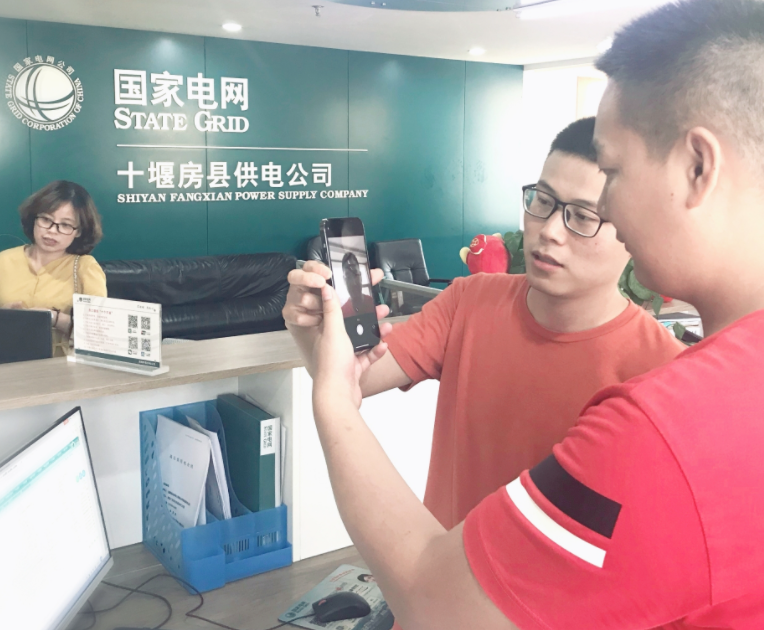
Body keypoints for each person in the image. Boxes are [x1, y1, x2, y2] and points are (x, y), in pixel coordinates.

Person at [290, 0, 764, 630]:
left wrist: (332, 401)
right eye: (545, 202)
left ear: (697, 167)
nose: (609, 214)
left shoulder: (667, 427)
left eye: (616, 175)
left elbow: (435, 601)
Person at [285, 116, 684, 535]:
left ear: (636, 231)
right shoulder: (470, 300)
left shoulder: (662, 374)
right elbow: (353, 378)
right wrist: (309, 331)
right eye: (542, 200)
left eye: (583, 217)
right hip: (439, 566)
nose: (549, 231)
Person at [0, 180, 106, 356]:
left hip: (61, 368)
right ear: (34, 219)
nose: (52, 231)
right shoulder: (3, 261)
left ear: (79, 231)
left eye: (65, 225)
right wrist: (2, 317)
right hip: (7, 362)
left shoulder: (86, 267)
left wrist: (53, 318)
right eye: (46, 219)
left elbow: (100, 333)